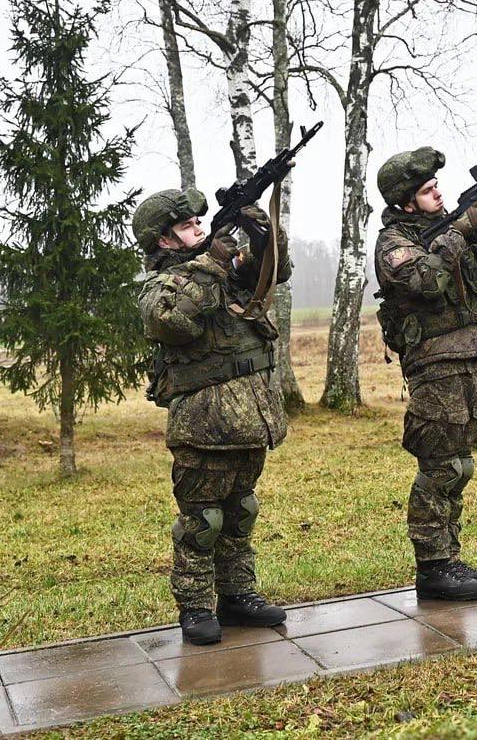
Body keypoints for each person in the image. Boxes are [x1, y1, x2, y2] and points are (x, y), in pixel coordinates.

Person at [373, 147, 477, 600]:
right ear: (407, 201)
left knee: (459, 465)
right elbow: (423, 283)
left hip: (467, 355)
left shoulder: (444, 230)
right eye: (428, 191)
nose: (438, 195)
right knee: (439, 465)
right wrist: (457, 232)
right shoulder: (394, 243)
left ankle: (448, 556)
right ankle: (432, 568)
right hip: (433, 364)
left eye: (437, 187)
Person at [133, 188, 292, 644]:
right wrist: (211, 266)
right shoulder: (161, 285)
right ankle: (196, 607)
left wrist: (262, 230)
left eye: (200, 223)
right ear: (163, 241)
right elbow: (170, 322)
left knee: (241, 513)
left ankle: (239, 595)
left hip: (249, 419)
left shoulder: (223, 274)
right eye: (187, 226)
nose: (200, 230)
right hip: (203, 425)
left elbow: (275, 270)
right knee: (203, 523)